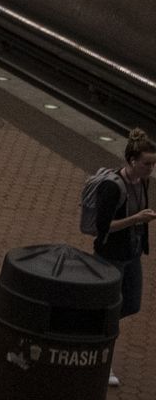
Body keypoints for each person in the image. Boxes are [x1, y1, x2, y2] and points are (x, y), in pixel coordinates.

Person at [95, 129, 156, 387]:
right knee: (112, 309)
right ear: (132, 161)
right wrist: (136, 219)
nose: (151, 169)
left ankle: (98, 327)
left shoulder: (142, 181)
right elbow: (103, 227)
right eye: (147, 164)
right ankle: (103, 357)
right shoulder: (112, 187)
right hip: (111, 257)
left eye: (154, 164)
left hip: (131, 255)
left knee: (131, 303)